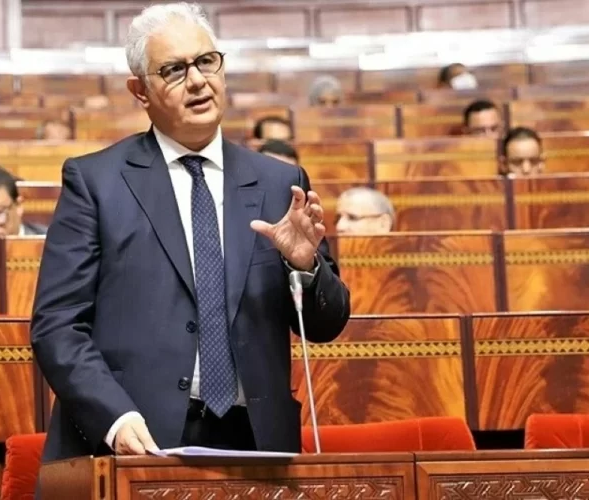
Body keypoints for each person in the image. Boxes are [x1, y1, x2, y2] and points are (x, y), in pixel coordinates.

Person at [31, 2, 350, 464]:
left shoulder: (280, 182)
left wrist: (305, 267)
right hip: (136, 440)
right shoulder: (96, 182)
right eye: (174, 70)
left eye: (206, 61)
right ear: (140, 91)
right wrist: (114, 417)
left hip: (255, 441)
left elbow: (326, 324)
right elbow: (58, 324)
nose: (197, 80)